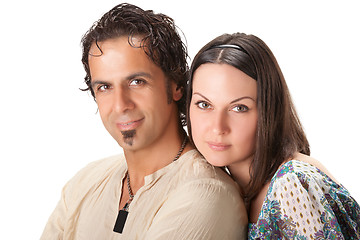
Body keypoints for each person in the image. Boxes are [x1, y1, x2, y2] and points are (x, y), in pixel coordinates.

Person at [40, 4, 248, 240]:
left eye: (137, 82)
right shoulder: (83, 183)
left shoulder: (207, 194)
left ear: (176, 85)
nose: (120, 105)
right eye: (105, 87)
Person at [187, 32, 360, 239]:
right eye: (204, 105)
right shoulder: (235, 189)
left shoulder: (292, 184)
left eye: (239, 108)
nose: (217, 127)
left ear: (269, 110)